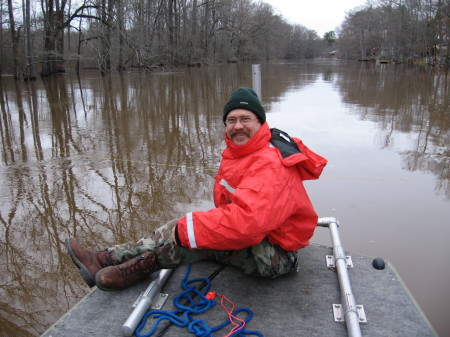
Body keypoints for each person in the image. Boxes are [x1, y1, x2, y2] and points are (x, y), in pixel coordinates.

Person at [65, 87, 327, 291]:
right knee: (190, 231)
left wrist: (187, 230)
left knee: (188, 236)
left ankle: (125, 267)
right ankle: (109, 259)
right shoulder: (241, 153)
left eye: (246, 119)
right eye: (231, 120)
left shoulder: (270, 163)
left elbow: (248, 224)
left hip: (275, 255)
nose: (238, 126)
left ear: (261, 123)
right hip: (258, 239)